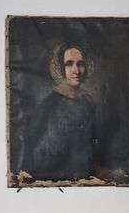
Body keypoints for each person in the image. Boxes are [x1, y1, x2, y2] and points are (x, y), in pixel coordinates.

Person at [23, 43, 99, 181]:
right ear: (60, 68)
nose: (76, 70)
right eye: (69, 64)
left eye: (80, 64)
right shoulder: (49, 106)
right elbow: (41, 158)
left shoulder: (87, 102)